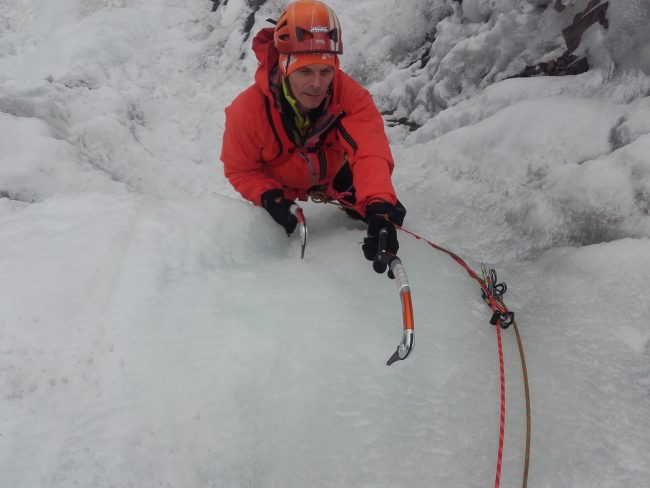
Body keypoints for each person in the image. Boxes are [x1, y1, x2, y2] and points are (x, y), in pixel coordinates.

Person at [220, 0, 406, 275]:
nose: (317, 84)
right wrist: (268, 196)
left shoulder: (350, 97)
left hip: (332, 177)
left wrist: (379, 207)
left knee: (393, 214)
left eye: (325, 71)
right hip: (281, 183)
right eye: (305, 71)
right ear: (285, 67)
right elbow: (240, 169)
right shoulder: (246, 112)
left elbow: (369, 151)